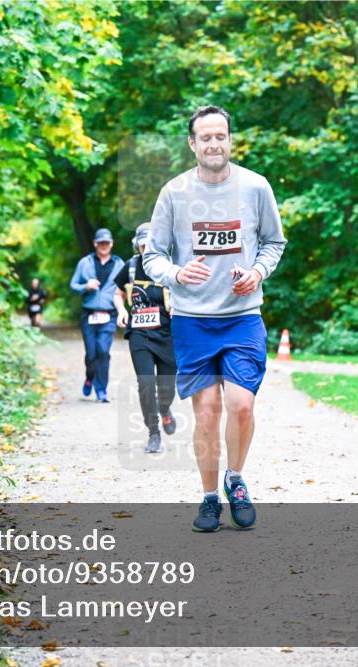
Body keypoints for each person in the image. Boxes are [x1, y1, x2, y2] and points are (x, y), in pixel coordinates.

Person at [143, 106, 287, 532]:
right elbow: (153, 254)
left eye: (220, 136)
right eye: (205, 137)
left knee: (241, 405)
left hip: (242, 317)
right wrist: (176, 274)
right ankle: (209, 499)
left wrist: (257, 272)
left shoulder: (255, 188)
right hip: (192, 319)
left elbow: (273, 242)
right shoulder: (174, 193)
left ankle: (235, 479)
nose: (213, 144)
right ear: (192, 144)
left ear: (230, 139)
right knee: (207, 412)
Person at [113, 222, 178, 454]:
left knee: (167, 386)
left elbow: (186, 292)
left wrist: (176, 307)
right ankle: (153, 432)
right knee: (146, 383)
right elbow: (118, 294)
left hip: (167, 333)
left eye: (149, 245)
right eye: (142, 246)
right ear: (136, 246)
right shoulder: (131, 267)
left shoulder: (170, 266)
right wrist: (121, 311)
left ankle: (165, 409)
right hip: (139, 334)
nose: (145, 249)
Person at [69, 228, 125, 403]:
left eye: (106, 243)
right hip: (89, 315)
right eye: (100, 243)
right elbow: (73, 285)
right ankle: (89, 377)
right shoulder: (84, 263)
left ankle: (101, 390)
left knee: (103, 351)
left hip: (109, 316)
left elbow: (126, 287)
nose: (104, 246)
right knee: (91, 354)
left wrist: (124, 304)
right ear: (95, 243)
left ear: (111, 244)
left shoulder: (119, 264)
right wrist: (86, 285)